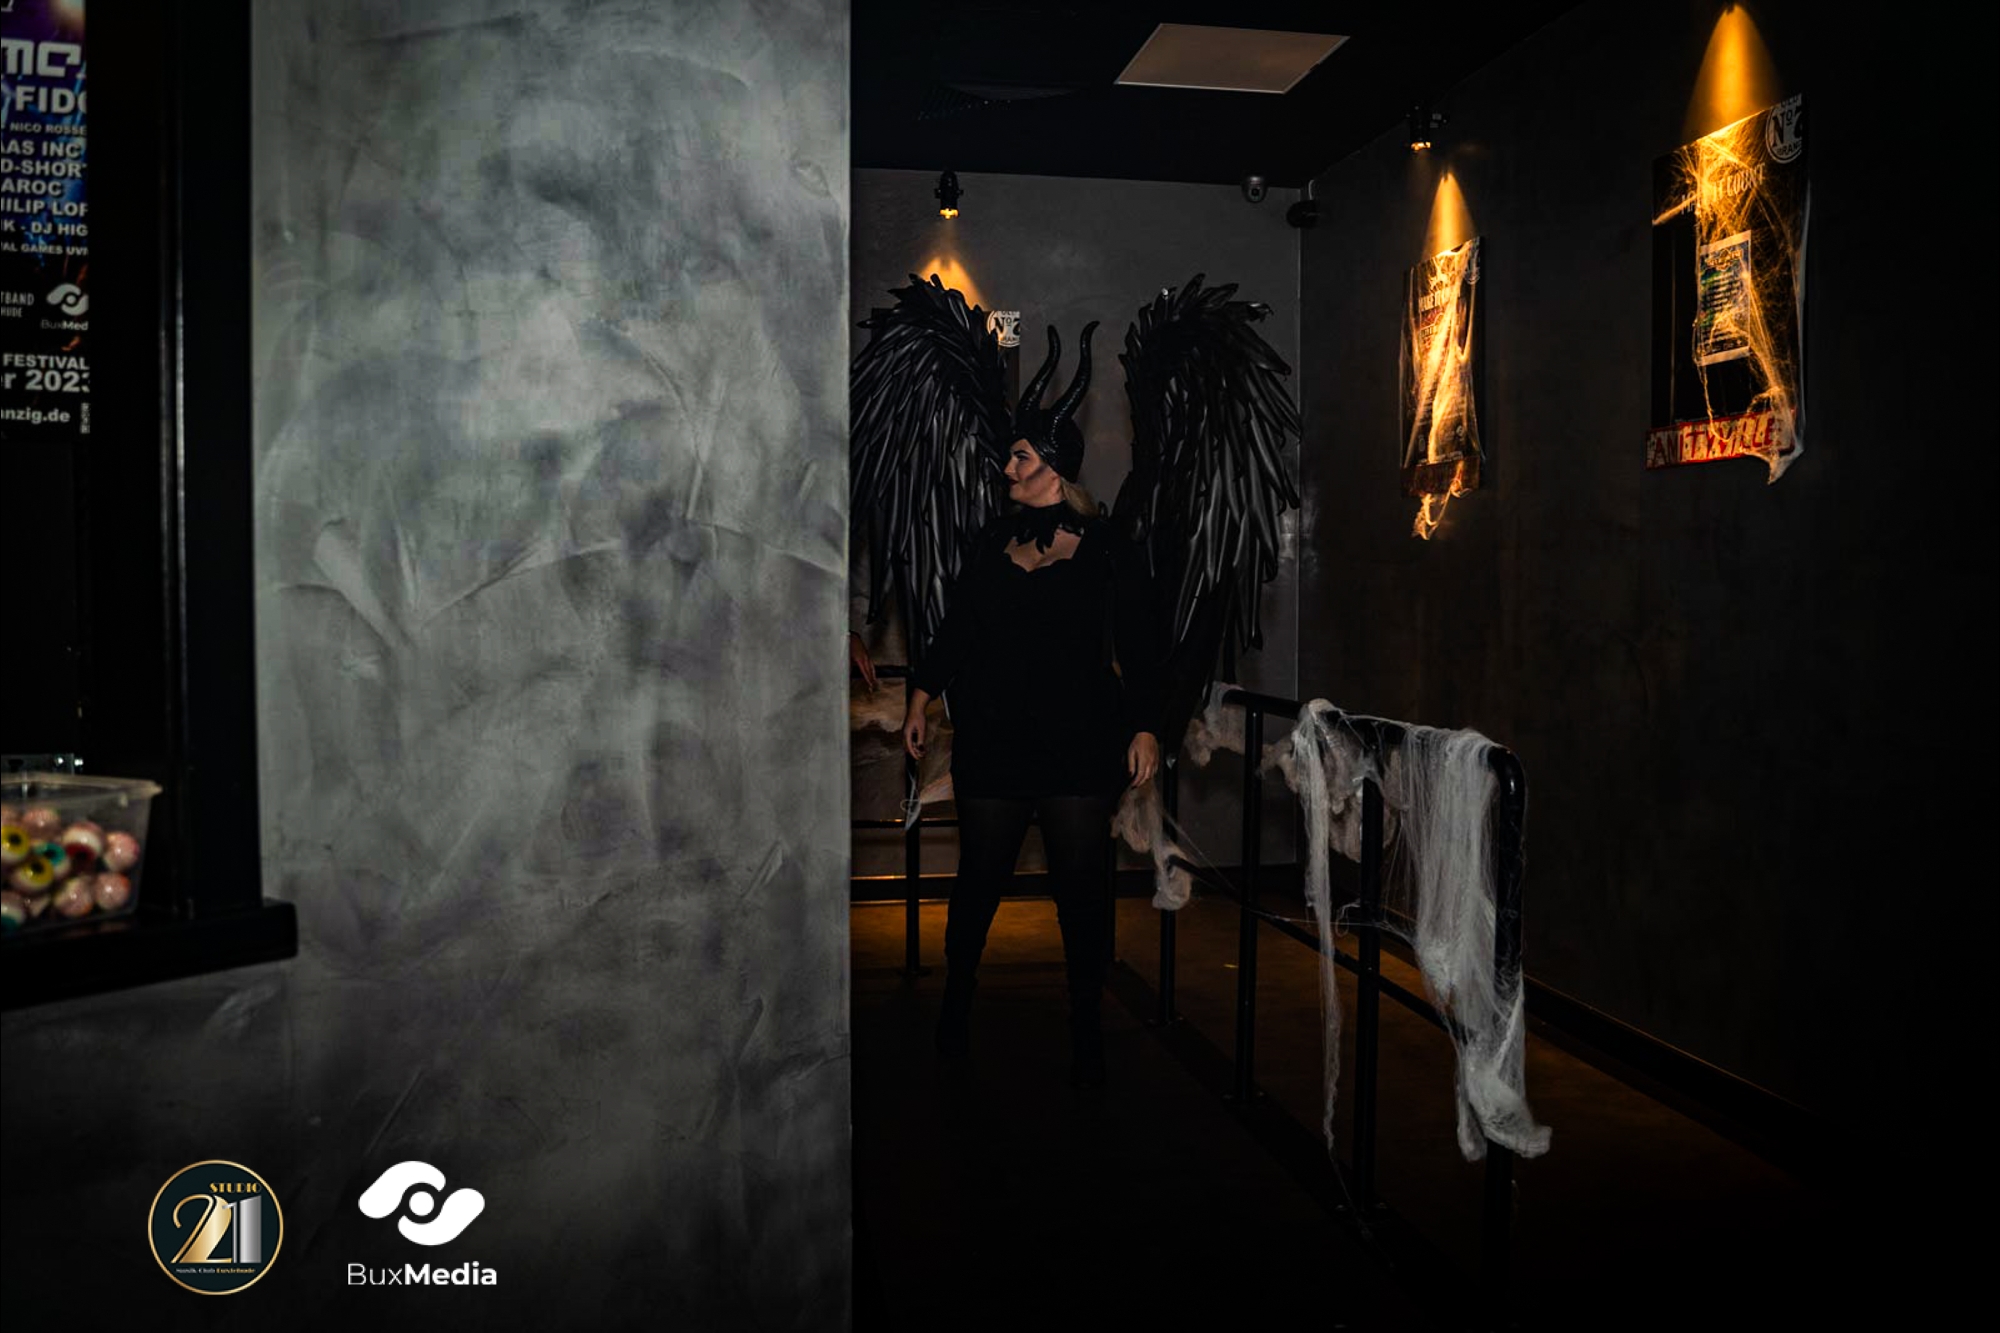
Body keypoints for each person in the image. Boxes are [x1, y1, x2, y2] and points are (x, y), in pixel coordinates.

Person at [900, 320, 1162, 1088]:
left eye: (1019, 455)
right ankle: (955, 1004)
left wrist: (1146, 723)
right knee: (978, 882)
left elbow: (1140, 641)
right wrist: (920, 691)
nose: (1006, 465)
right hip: (996, 744)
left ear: (1052, 467)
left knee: (1081, 892)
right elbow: (956, 629)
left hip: (1079, 744)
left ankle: (1086, 1022)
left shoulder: (1107, 547)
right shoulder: (991, 544)